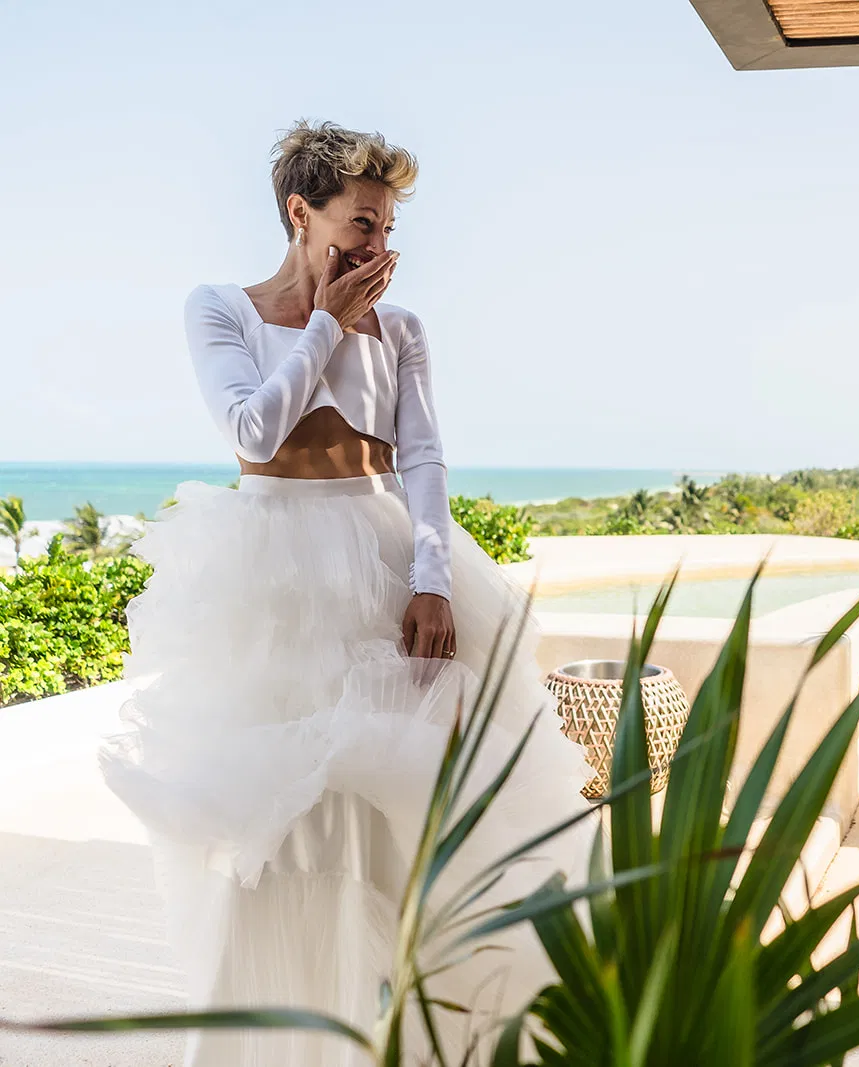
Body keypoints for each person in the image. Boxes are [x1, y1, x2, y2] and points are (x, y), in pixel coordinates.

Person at [100, 120, 594, 1066]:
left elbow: (423, 456)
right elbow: (253, 431)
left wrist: (432, 577)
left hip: (387, 568)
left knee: (407, 813)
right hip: (272, 584)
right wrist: (324, 321)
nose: (381, 248)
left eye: (388, 226)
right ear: (301, 213)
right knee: (289, 828)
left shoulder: (402, 328)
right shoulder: (220, 308)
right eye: (363, 224)